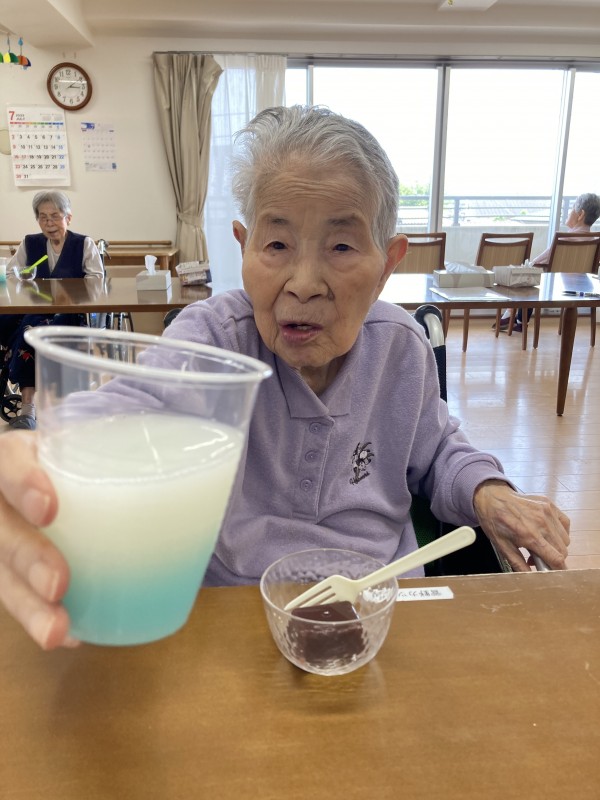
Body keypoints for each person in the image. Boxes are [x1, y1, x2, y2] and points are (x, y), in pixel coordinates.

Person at [0, 106, 570, 650]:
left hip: (381, 608)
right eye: (276, 244)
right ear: (244, 247)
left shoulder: (401, 347)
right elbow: (138, 404)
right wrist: (36, 454)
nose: (303, 282)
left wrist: (488, 491)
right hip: (233, 612)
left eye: (341, 245)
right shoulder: (214, 339)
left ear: (387, 264)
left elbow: (438, 446)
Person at [2, 191, 103, 430]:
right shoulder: (30, 243)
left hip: (71, 312)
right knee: (11, 323)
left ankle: (29, 406)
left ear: (68, 217)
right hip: (35, 308)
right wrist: (22, 279)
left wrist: (72, 293)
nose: (49, 223)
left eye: (55, 216)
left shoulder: (84, 244)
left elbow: (97, 280)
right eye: (43, 217)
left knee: (30, 332)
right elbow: (11, 274)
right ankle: (24, 401)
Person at [497, 192, 600, 331]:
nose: (568, 212)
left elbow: (537, 262)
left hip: (558, 286)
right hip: (584, 287)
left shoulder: (565, 240)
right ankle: (516, 319)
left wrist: (526, 267)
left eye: (572, 208)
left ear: (580, 214)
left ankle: (515, 318)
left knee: (529, 273)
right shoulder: (595, 242)